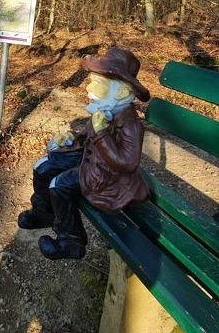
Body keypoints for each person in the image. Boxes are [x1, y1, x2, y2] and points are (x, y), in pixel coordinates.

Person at [17, 46, 151, 260]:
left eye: (98, 85)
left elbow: (127, 163)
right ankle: (44, 213)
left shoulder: (130, 126)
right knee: (42, 166)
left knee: (58, 185)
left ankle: (71, 241)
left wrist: (99, 134)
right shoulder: (104, 110)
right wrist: (72, 138)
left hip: (107, 177)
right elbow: (87, 134)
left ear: (122, 92)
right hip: (90, 159)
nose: (88, 89)